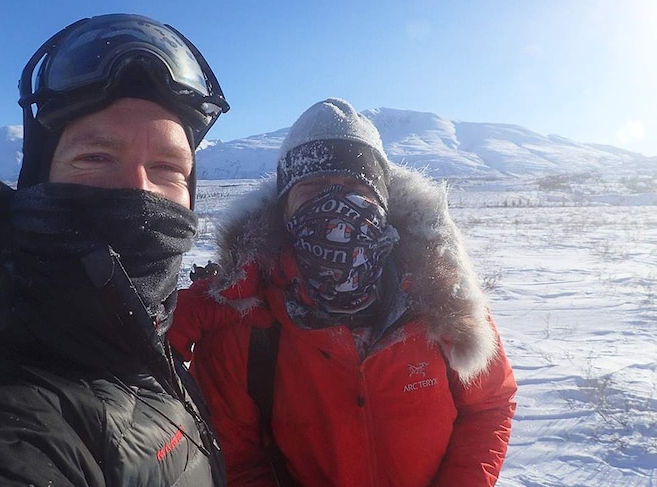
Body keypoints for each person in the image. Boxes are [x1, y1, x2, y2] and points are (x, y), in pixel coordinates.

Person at [0, 13, 230, 486]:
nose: (139, 190)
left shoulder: (142, 330)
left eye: (166, 167)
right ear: (39, 181)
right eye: (95, 157)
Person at [169, 98, 517, 487]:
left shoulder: (442, 299)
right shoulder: (244, 321)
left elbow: (488, 405)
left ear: (383, 203)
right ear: (284, 209)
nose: (334, 205)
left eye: (355, 186)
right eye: (313, 186)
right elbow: (237, 459)